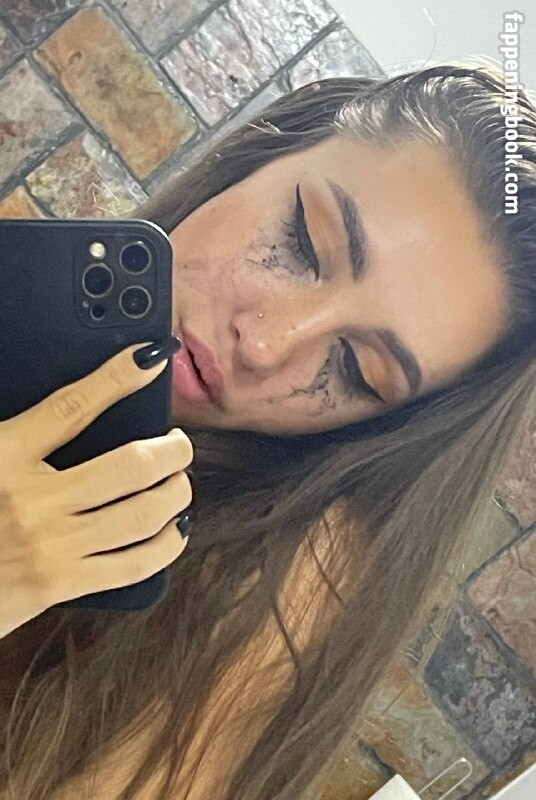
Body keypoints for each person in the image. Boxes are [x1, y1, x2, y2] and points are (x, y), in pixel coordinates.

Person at [0, 63, 535, 800]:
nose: (265, 343)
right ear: (266, 150)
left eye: (356, 370)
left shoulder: (286, 582)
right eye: (302, 243)